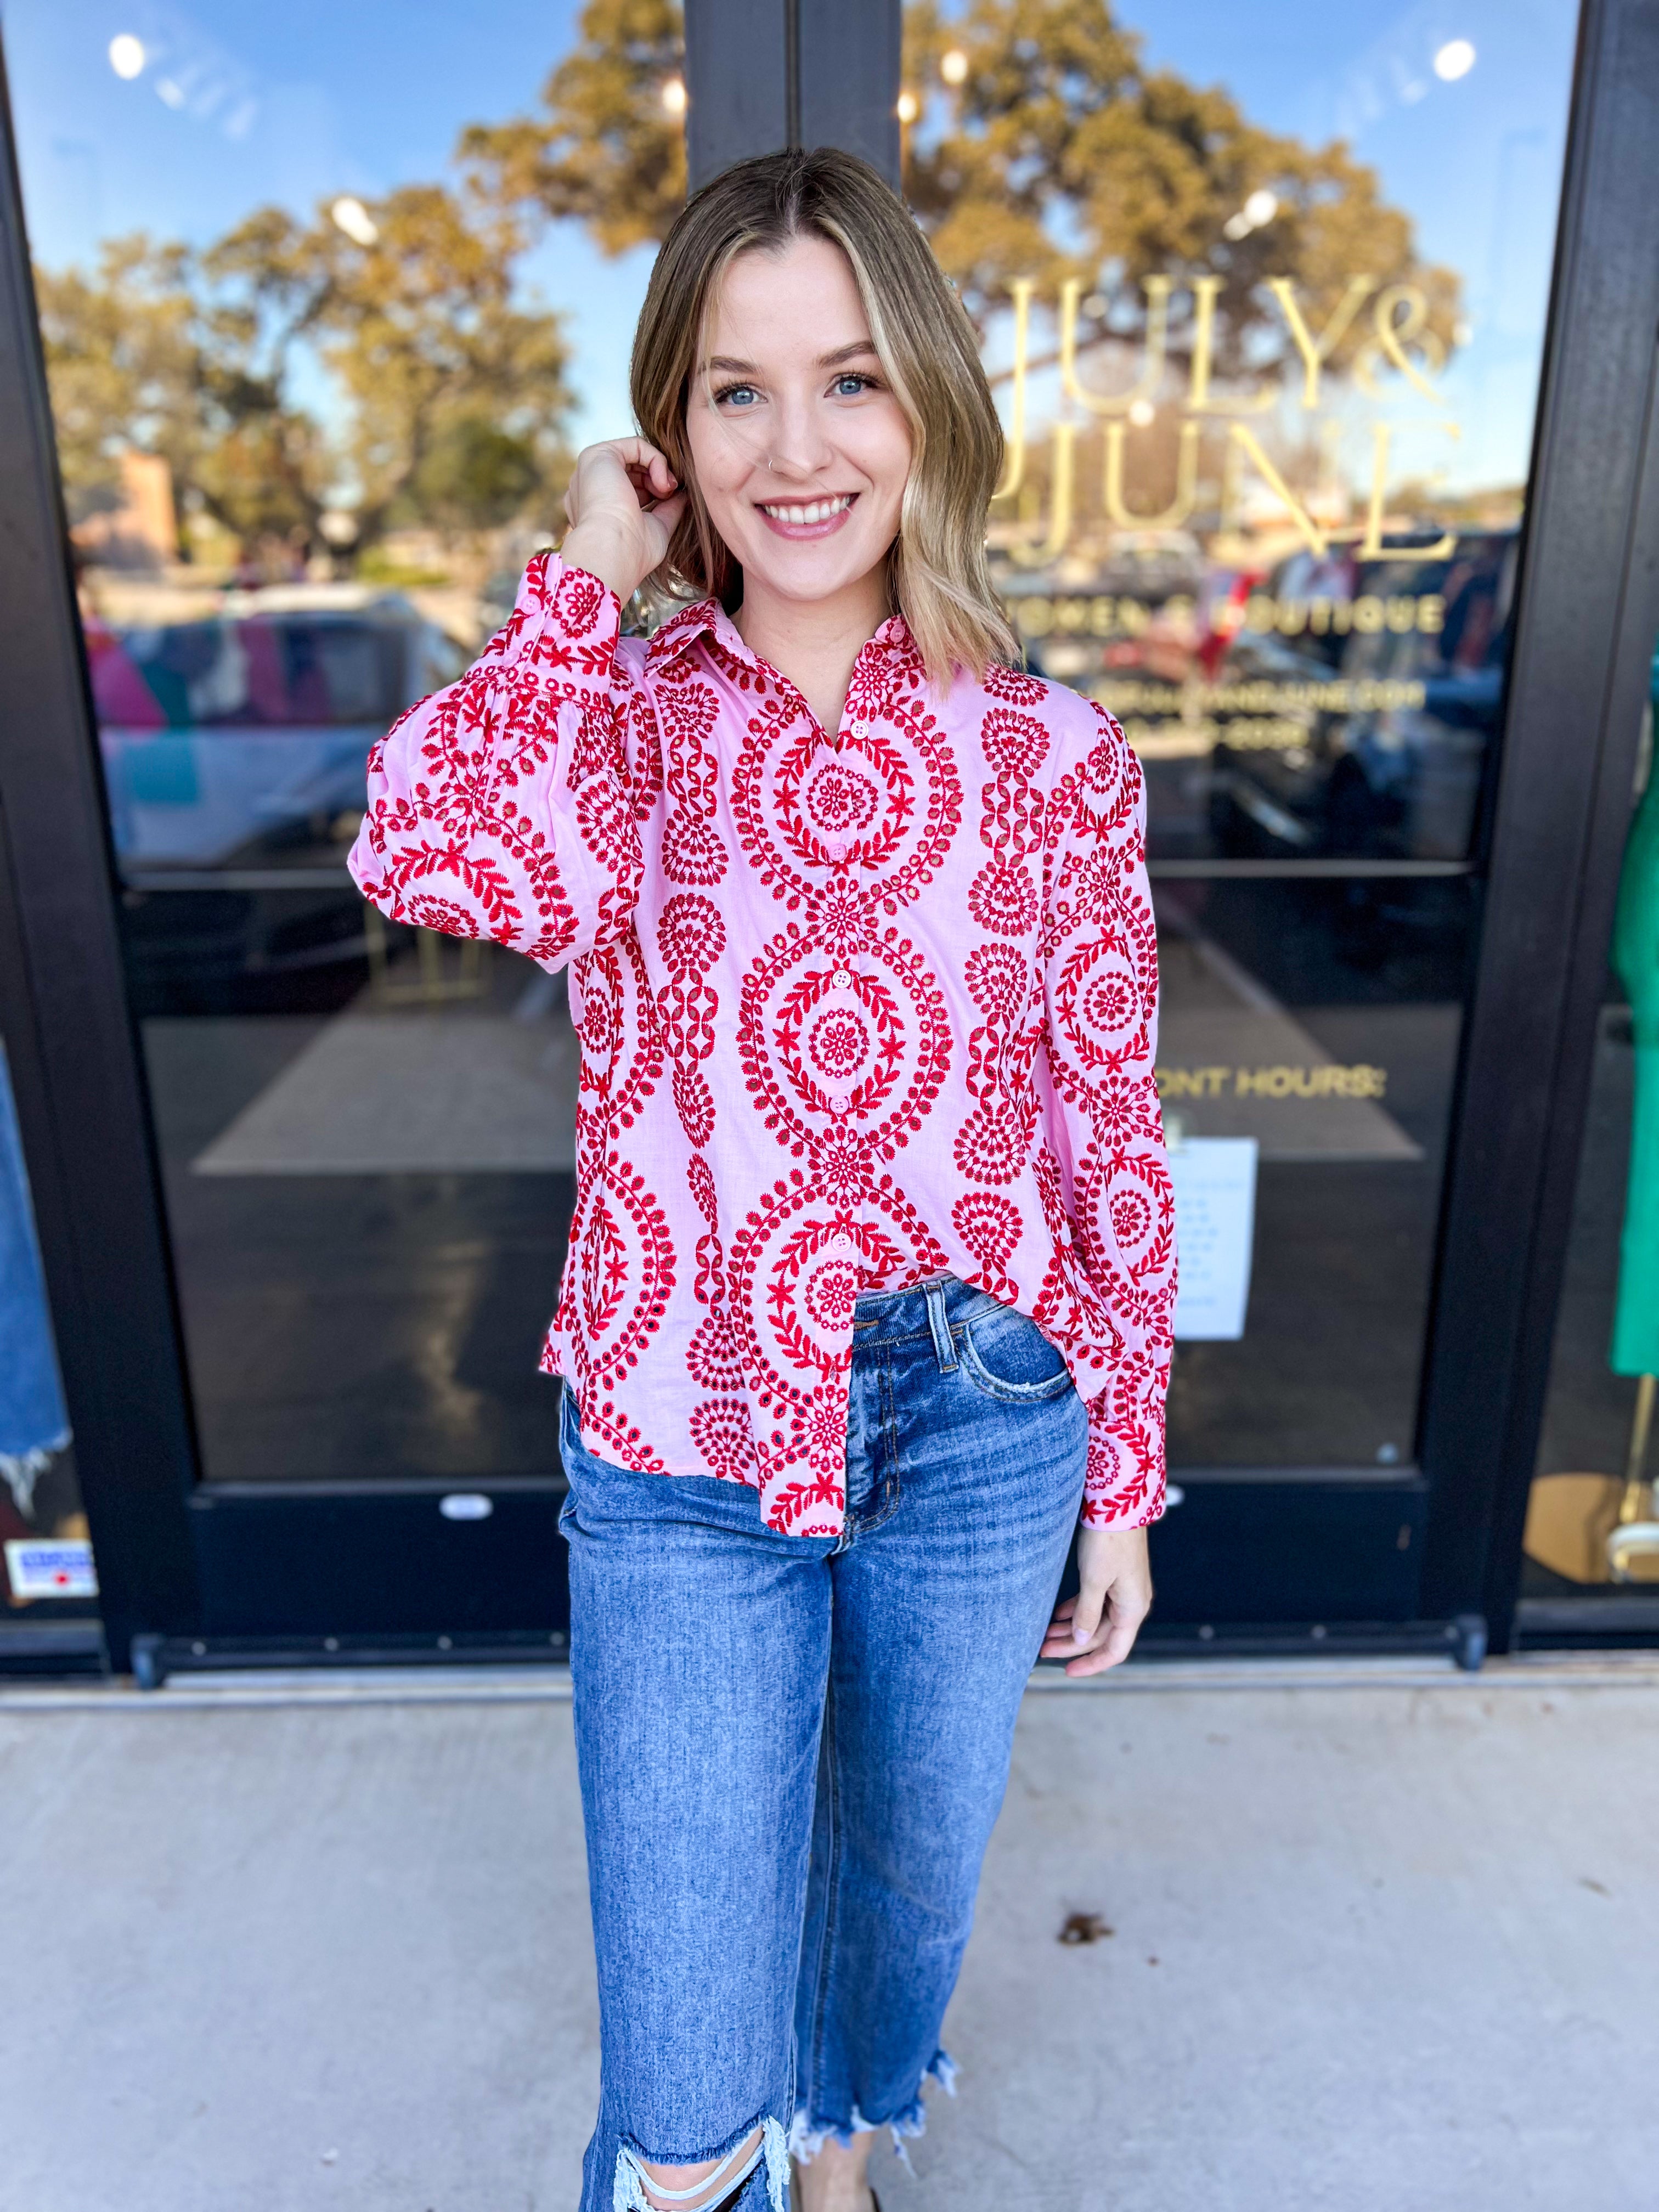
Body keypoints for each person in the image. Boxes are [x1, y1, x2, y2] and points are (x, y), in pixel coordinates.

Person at [349, 147, 1174, 2212]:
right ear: (672, 432)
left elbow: (1109, 1133)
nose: (798, 450)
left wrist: (1126, 1478)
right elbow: (421, 853)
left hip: (986, 1412)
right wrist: (576, 578)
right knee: (683, 2047)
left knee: (899, 1900)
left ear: (932, 409)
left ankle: (845, 2155)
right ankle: (730, 2154)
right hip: (684, 1426)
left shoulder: (1061, 753)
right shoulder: (608, 720)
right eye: (736, 391)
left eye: (852, 381)